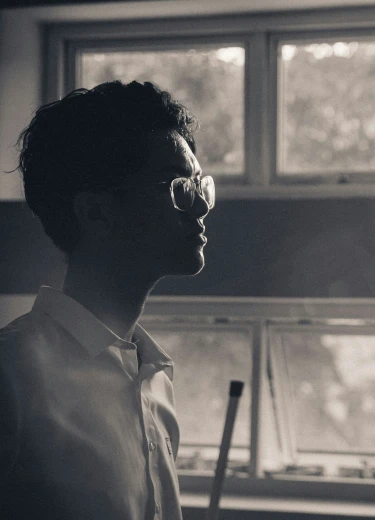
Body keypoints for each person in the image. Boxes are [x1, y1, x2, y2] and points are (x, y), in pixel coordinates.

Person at [0, 80, 214, 519]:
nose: (201, 207)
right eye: (177, 186)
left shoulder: (156, 378)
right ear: (96, 210)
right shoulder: (12, 376)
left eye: (198, 185)